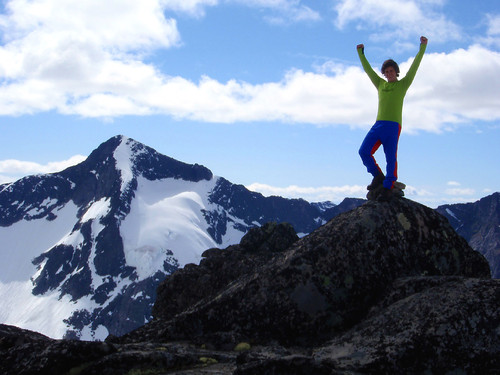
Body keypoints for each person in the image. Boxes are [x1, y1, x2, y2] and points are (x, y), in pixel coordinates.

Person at [357, 36, 428, 201]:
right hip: (378, 125)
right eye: (386, 71)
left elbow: (414, 67)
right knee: (364, 151)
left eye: (391, 71)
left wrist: (422, 47)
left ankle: (388, 186)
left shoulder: (402, 84)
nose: (389, 73)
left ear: (396, 72)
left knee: (390, 157)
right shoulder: (381, 84)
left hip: (393, 126)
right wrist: (361, 53)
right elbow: (368, 70)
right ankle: (378, 177)